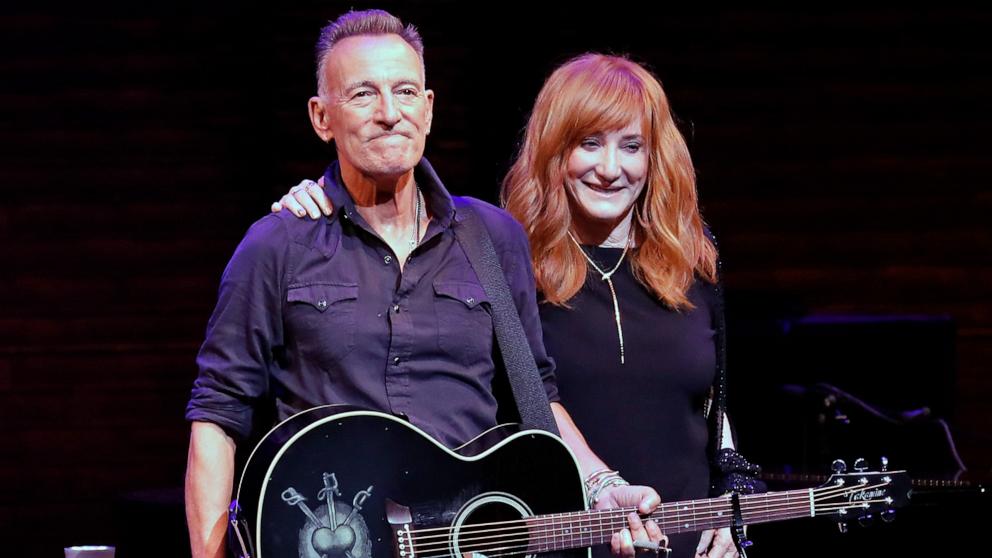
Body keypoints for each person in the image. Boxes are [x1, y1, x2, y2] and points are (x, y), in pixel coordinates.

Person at [185, 10, 663, 558]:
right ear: (322, 118)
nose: (390, 113)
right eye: (363, 94)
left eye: (406, 91)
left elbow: (538, 396)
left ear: (429, 109)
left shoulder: (493, 239)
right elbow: (216, 417)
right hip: (339, 539)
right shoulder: (277, 246)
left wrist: (602, 486)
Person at [276, 53, 761, 558]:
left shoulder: (692, 260)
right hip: (555, 541)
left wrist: (732, 505)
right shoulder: (501, 254)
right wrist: (321, 198)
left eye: (632, 146)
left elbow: (712, 410)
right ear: (554, 151)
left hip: (686, 542)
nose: (611, 168)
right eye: (589, 144)